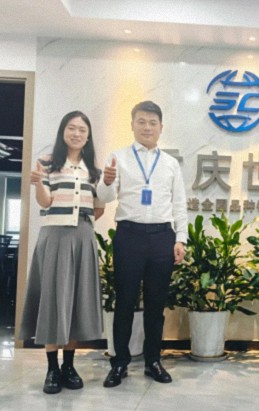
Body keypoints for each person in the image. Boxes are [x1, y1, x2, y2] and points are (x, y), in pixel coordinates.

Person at [97, 100, 188, 388]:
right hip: (129, 235)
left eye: (152, 123)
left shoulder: (170, 163)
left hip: (162, 237)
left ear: (161, 127)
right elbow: (105, 198)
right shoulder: (119, 157)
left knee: (155, 304)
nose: (147, 127)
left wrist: (181, 238)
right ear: (132, 124)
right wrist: (106, 182)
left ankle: (153, 361)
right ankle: (119, 363)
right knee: (124, 302)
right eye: (141, 121)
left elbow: (179, 204)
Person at [20, 111, 105, 394]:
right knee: (53, 300)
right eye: (71, 128)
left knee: (75, 302)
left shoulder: (94, 170)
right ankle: (52, 369)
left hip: (82, 238)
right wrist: (37, 184)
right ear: (63, 131)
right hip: (54, 237)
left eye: (82, 130)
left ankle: (69, 366)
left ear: (88, 136)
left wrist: (84, 224)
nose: (76, 133)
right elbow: (45, 202)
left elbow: (99, 207)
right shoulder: (46, 163)